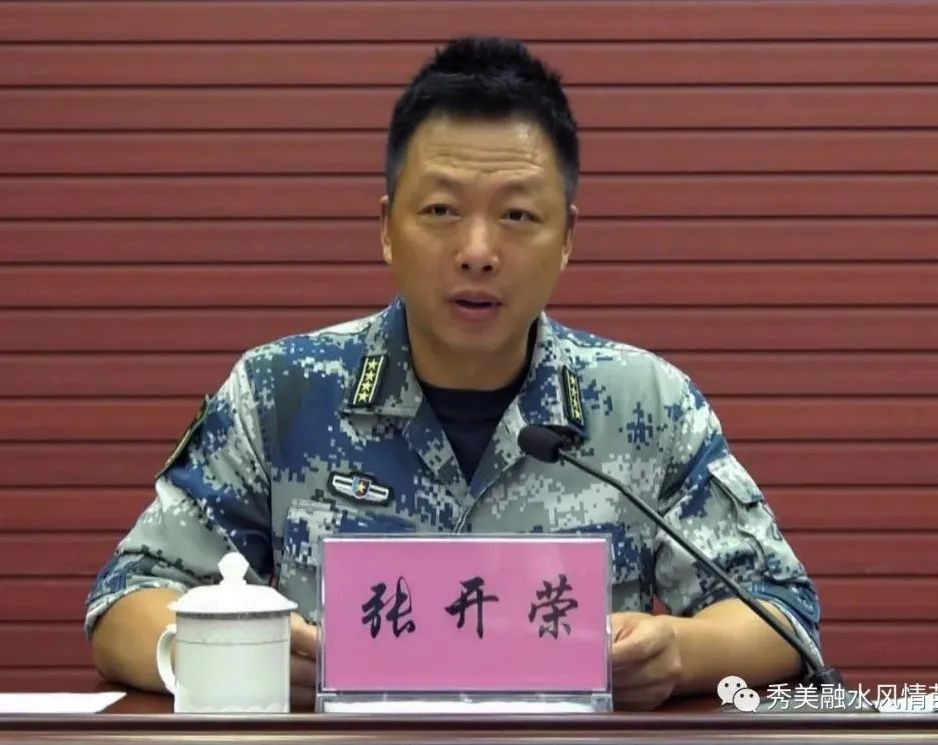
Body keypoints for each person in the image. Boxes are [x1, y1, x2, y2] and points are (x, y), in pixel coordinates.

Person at [86, 36, 824, 711]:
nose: (477, 251)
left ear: (568, 238)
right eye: (441, 210)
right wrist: (246, 658)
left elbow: (778, 613)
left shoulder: (645, 403)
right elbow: (126, 601)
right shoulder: (283, 392)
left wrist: (681, 653)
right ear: (386, 227)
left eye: (517, 216)